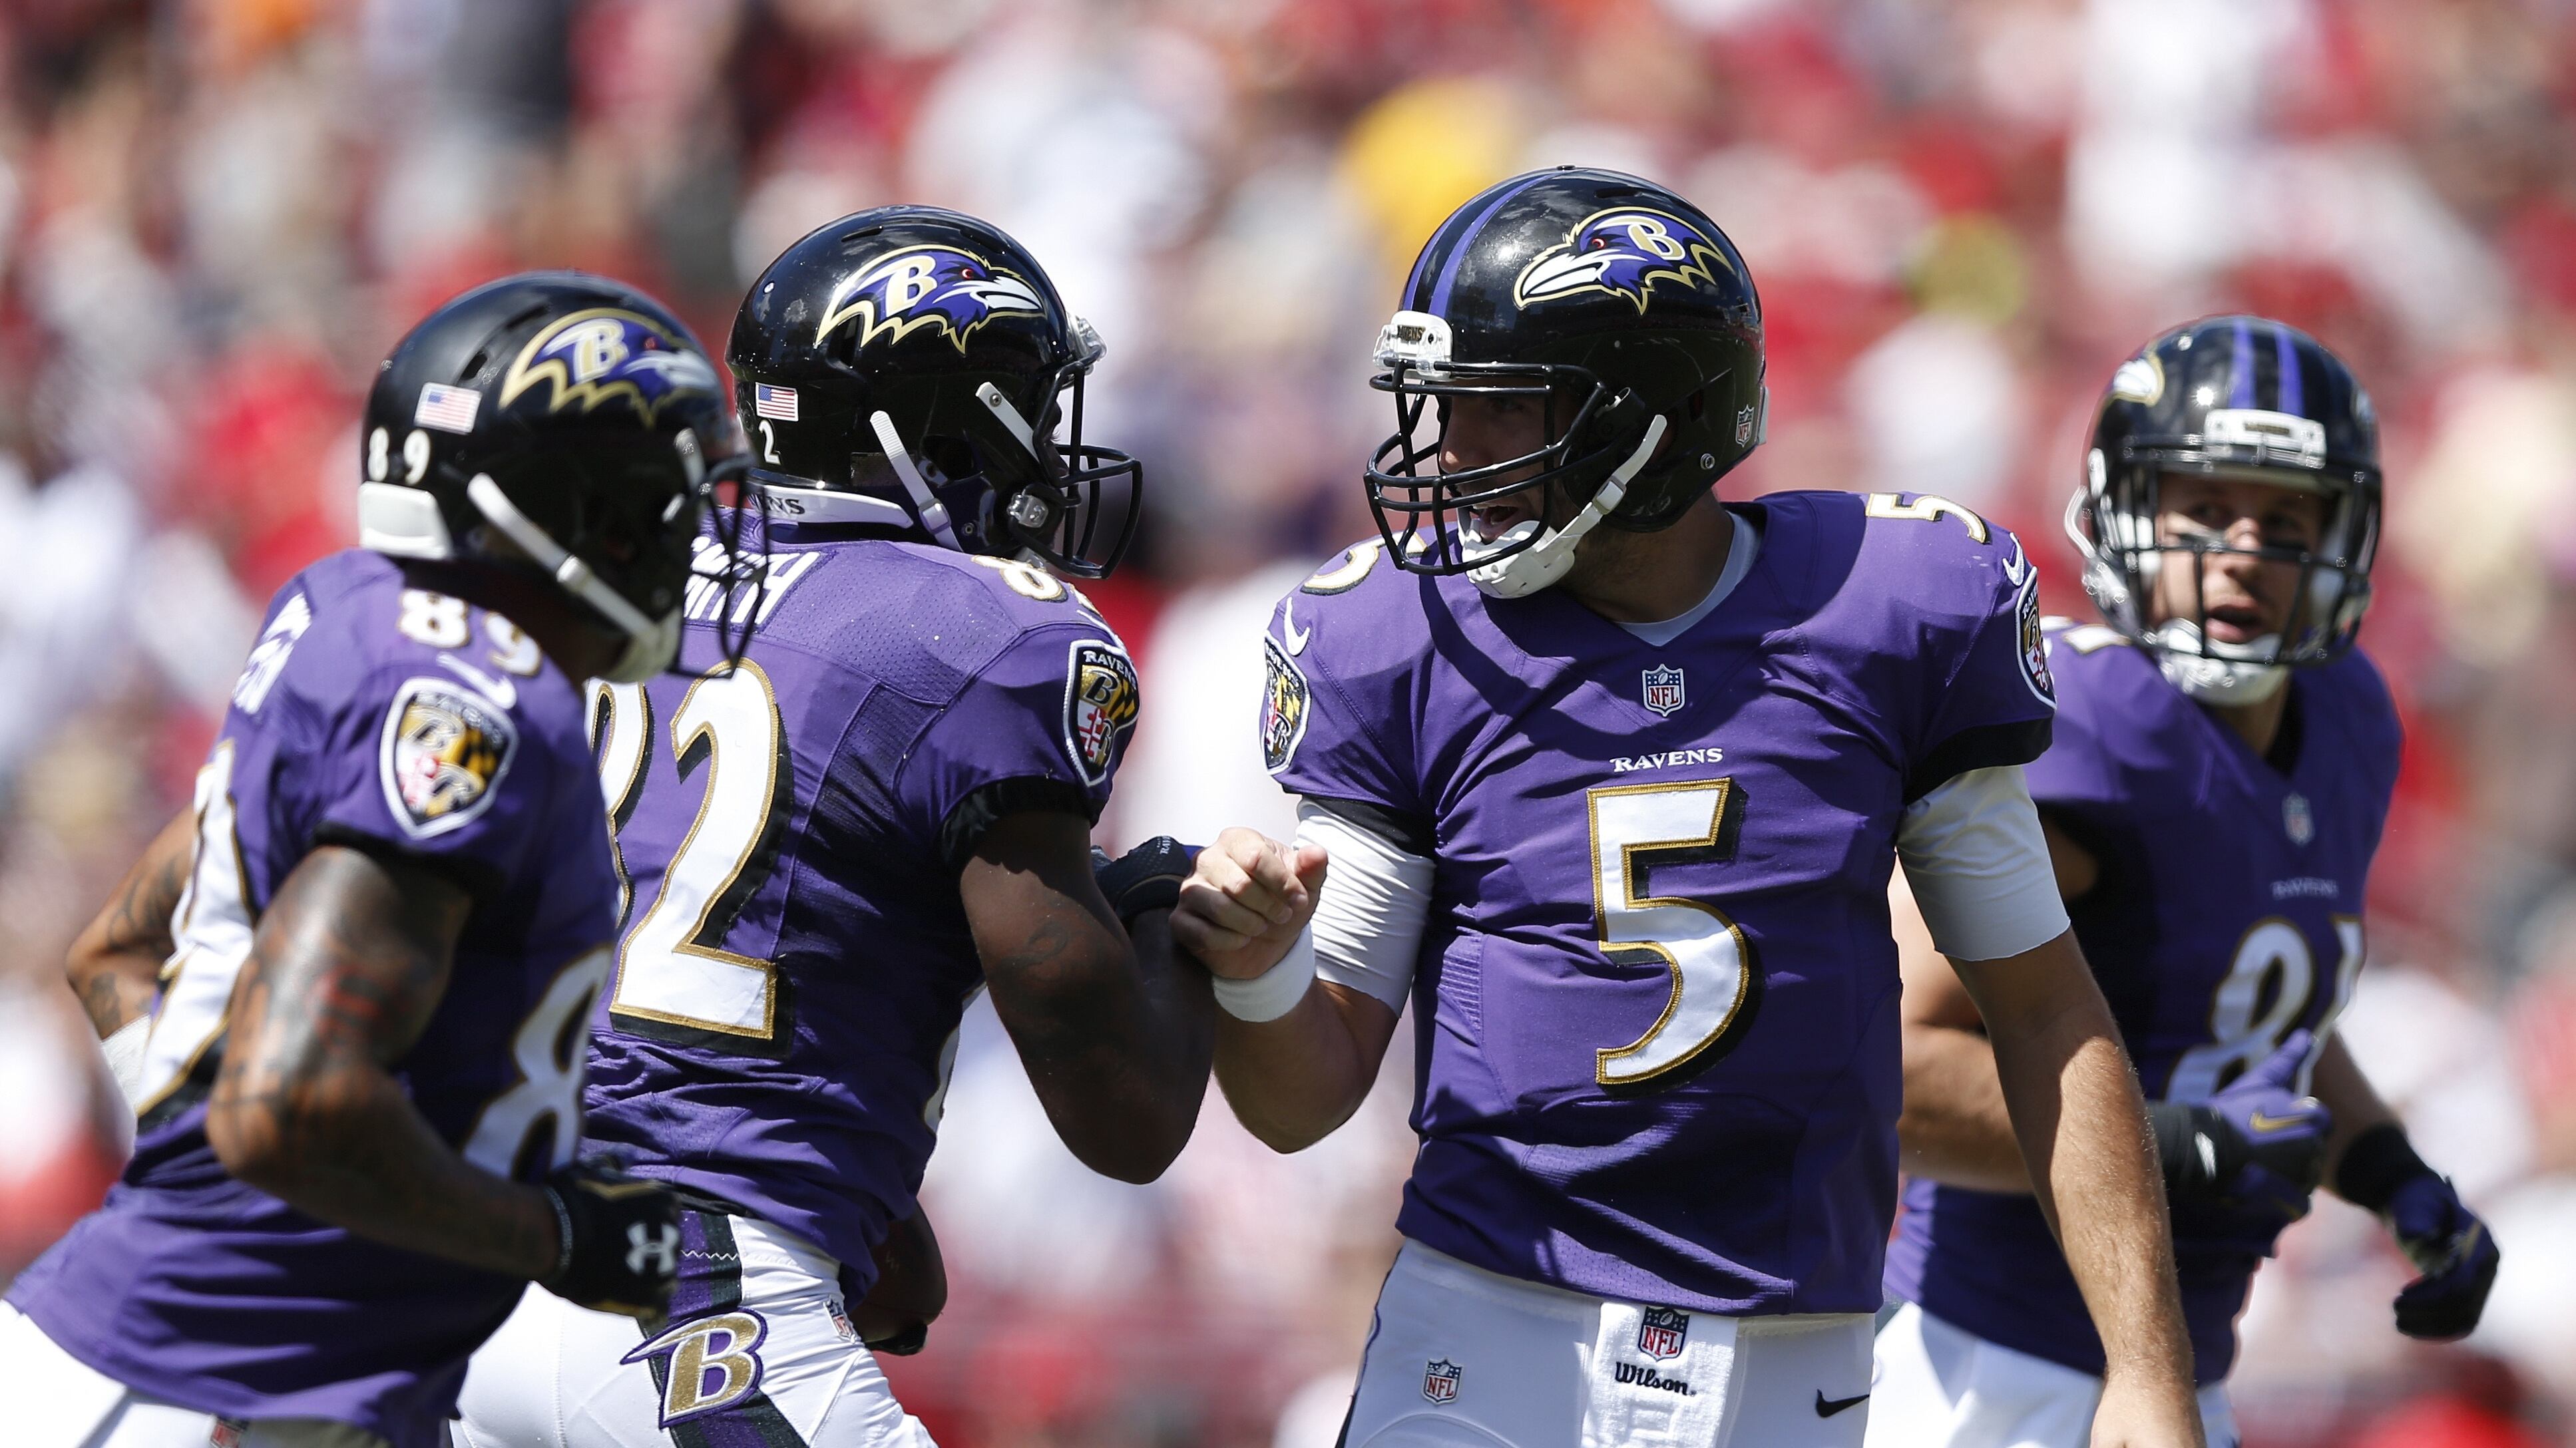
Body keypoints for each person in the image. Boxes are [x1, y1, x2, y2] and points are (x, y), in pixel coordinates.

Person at [1168, 165, 2205, 1448]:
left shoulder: (1891, 614)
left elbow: (2044, 1010)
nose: (1452, 454)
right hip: (1490, 1322)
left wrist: (2144, 1372)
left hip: (1792, 1342)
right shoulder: (1403, 640)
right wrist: (1260, 971)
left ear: (1651, 417)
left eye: (1500, 410)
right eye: (1445, 407)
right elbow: (1298, 1102)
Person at [451, 206, 1225, 1448]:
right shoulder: (982, 635)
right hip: (685, 1293)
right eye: (1029, 408)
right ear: (938, 427)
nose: (1047, 450)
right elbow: (1122, 1117)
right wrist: (1166, 927)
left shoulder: (634, 579)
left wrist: (863, 1204)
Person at [11, 272, 732, 1448]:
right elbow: (285, 1104)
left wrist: (208, 1162)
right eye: (659, 500)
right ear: (558, 505)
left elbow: (120, 954)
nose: (686, 537)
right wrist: (558, 1234)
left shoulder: (348, 610)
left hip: (245, 1381)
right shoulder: (475, 700)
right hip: (209, 1391)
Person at [1872, 316, 2502, 1448]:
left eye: (2286, 520)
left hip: (2181, 1366)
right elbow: (1884, 1064)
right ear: (2125, 514)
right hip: (1981, 1367)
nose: (2243, 554)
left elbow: (2248, 1000)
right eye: (2204, 511)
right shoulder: (2087, 732)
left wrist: (2386, 1169)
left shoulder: (2348, 718)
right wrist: (2174, 1143)